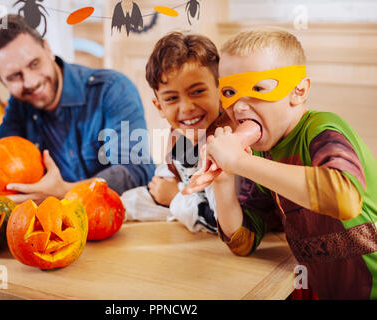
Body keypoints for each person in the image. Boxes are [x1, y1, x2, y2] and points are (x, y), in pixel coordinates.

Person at [203, 28, 377, 299]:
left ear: (299, 90)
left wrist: (238, 161)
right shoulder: (260, 154)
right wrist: (223, 180)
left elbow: (344, 198)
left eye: (258, 88)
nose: (237, 107)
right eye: (229, 92)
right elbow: (244, 242)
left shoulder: (322, 128)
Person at [0, 14, 155, 203]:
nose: (31, 81)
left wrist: (66, 192)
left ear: (47, 49)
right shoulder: (19, 105)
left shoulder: (112, 88)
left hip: (120, 220)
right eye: (14, 76)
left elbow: (136, 171)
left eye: (34, 64)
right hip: (55, 224)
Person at [141, 32, 233, 233]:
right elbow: (169, 172)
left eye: (198, 91)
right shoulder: (181, 131)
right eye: (172, 98)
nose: (187, 107)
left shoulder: (227, 142)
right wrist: (167, 184)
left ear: (221, 91)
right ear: (160, 108)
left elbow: (222, 223)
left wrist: (175, 195)